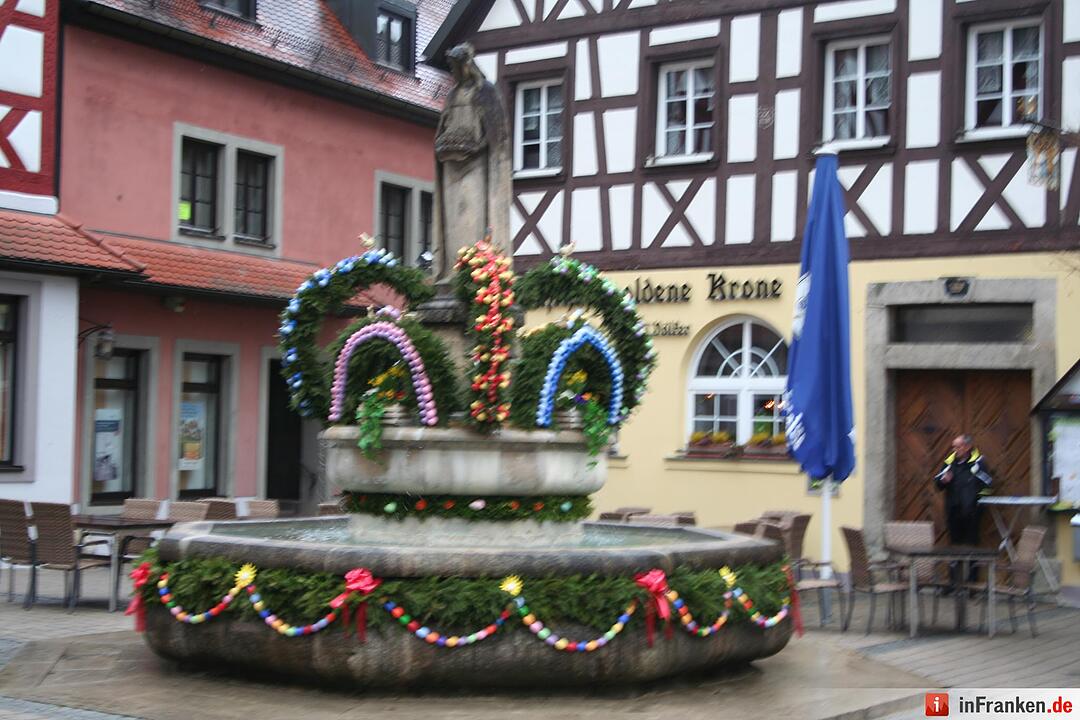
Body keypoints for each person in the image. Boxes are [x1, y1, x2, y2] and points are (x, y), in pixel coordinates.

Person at [934, 434, 993, 582]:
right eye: (954, 446)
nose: (954, 449)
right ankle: (954, 582)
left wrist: (978, 503)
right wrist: (943, 480)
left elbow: (988, 484)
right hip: (953, 510)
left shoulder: (978, 462)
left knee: (973, 547)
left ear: (967, 447)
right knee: (954, 546)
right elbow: (937, 483)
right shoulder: (950, 462)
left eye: (957, 446)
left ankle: (972, 582)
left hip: (972, 512)